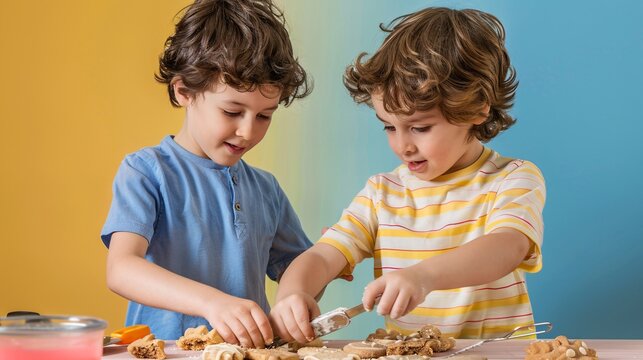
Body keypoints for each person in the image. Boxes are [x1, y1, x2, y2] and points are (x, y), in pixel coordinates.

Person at [269, 7, 545, 341]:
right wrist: (292, 295)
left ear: (477, 107)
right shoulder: (381, 194)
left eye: (420, 127)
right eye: (389, 126)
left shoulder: (512, 179)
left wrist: (423, 276)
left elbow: (507, 247)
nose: (402, 145)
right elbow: (323, 255)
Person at [101, 0, 312, 346]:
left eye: (264, 116)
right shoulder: (146, 172)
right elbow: (122, 269)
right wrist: (212, 302)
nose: (248, 131)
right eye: (232, 111)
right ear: (183, 90)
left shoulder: (266, 189)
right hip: (165, 352)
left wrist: (302, 288)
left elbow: (298, 267)